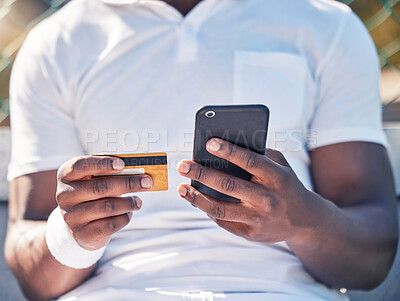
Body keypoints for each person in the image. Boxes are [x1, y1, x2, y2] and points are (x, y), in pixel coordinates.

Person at [4, 0, 399, 300]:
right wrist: (70, 234)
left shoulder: (326, 25)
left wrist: (303, 221)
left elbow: (373, 258)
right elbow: (31, 268)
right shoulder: (57, 43)